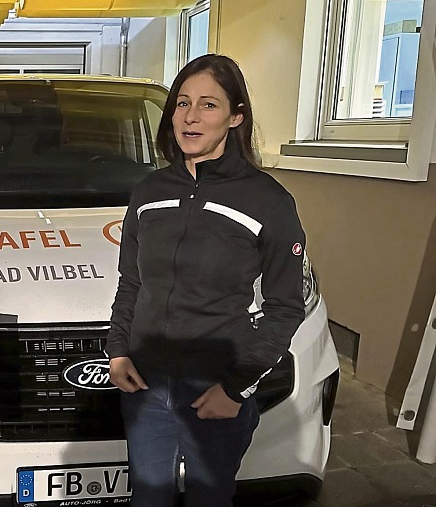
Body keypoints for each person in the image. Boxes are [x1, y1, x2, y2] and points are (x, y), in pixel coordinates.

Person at [105, 54, 306, 507]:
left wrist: (235, 389)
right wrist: (117, 351)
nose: (190, 116)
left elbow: (285, 308)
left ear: (236, 117)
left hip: (214, 390)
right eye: (182, 103)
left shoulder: (268, 201)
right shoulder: (149, 192)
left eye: (208, 104)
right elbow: (131, 282)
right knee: (147, 499)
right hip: (146, 389)